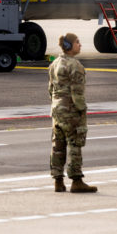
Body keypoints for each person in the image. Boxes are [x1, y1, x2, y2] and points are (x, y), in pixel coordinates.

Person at [48, 32, 97, 193]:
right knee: (75, 144)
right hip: (71, 111)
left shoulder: (54, 64)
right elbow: (77, 93)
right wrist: (82, 111)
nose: (80, 44)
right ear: (69, 46)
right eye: (77, 42)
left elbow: (50, 89)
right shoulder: (75, 65)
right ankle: (76, 180)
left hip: (57, 110)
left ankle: (58, 181)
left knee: (58, 146)